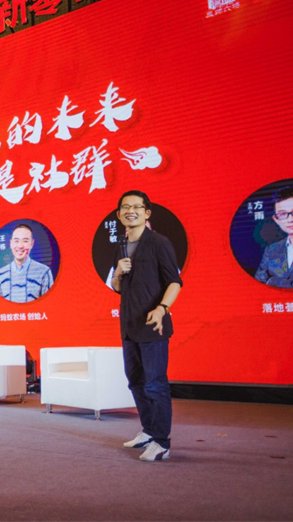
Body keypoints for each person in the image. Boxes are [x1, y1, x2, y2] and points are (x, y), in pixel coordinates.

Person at [111, 190, 182, 462]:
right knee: (136, 382)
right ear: (119, 214)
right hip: (129, 325)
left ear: (146, 212)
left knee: (155, 384)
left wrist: (162, 308)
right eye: (125, 207)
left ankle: (161, 442)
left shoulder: (159, 243)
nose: (131, 211)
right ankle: (149, 430)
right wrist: (118, 273)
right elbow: (119, 288)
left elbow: (174, 281)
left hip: (153, 325)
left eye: (136, 207)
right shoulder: (121, 245)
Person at [255, 185, 293, 288]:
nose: (290, 219)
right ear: (276, 219)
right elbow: (258, 285)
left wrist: (271, 281)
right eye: (282, 214)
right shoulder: (271, 250)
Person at [0, 224, 54, 303]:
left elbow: (50, 305)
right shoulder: (0, 274)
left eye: (25, 241)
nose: (20, 246)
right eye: (16, 241)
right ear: (11, 243)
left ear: (32, 244)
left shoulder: (44, 272)